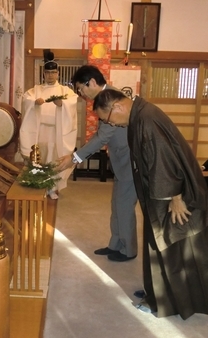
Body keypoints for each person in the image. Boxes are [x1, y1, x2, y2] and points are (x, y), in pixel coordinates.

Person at [92, 88, 208, 319]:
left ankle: (166, 302)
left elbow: (165, 159)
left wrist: (176, 196)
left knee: (169, 248)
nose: (113, 124)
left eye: (107, 119)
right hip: (160, 193)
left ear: (117, 107)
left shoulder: (146, 120)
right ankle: (155, 292)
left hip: (171, 196)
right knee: (156, 245)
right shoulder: (141, 114)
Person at [56, 65, 138, 262]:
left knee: (125, 207)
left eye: (81, 89)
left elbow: (102, 137)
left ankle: (128, 250)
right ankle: (116, 244)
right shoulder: (106, 97)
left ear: (91, 82)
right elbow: (101, 135)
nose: (81, 94)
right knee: (117, 205)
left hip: (130, 162)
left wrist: (75, 158)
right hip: (120, 160)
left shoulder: (113, 99)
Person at [19, 49, 78, 199]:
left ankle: (52, 188)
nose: (50, 76)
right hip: (40, 131)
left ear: (58, 74)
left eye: (53, 73)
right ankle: (39, 186)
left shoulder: (65, 91)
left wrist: (62, 104)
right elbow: (26, 99)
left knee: (53, 159)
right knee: (40, 159)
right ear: (43, 74)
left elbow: (72, 102)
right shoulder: (36, 90)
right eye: (47, 73)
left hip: (56, 131)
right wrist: (34, 103)